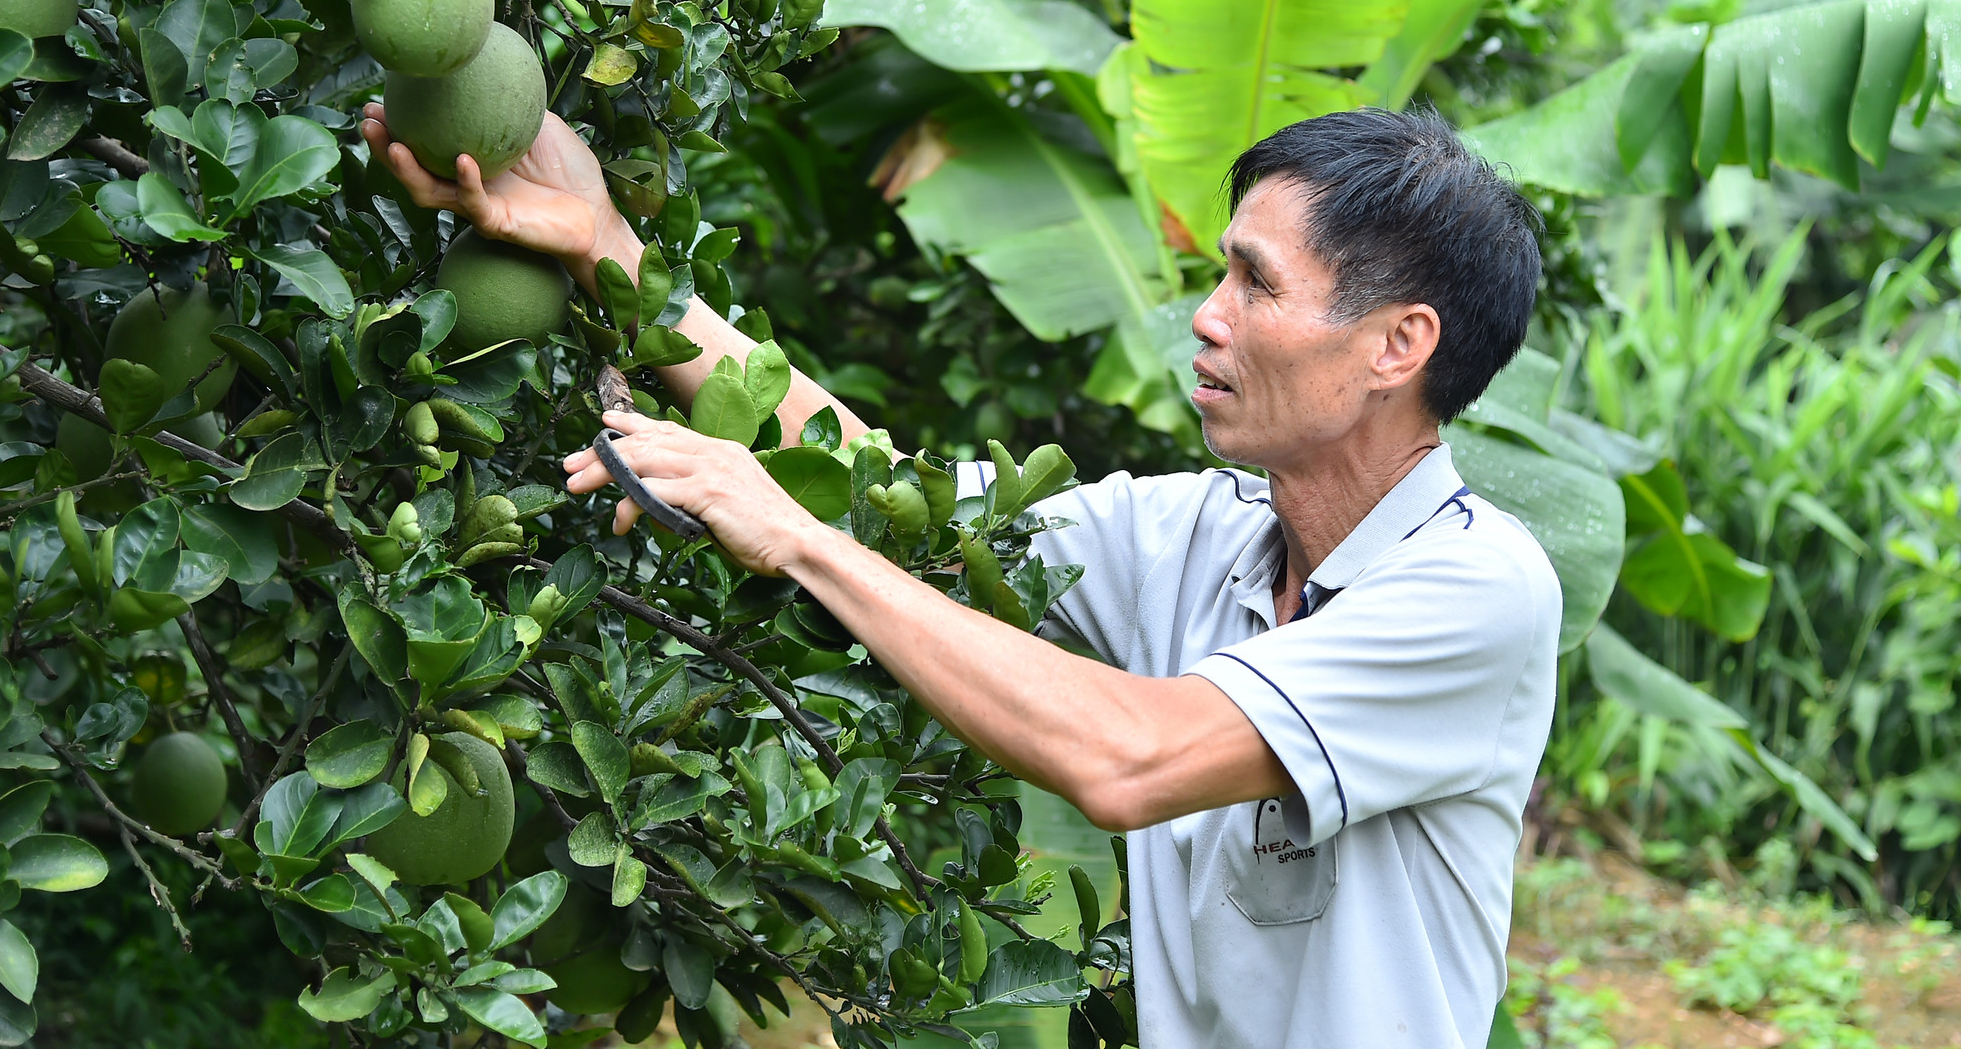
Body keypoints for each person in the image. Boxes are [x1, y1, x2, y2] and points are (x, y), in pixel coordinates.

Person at [362, 100, 1562, 1049]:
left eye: (1254, 282)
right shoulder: (1198, 533)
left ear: (1397, 344)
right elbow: (899, 499)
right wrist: (608, 251)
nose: (1206, 316)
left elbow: (1131, 757)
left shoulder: (1474, 589)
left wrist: (798, 537)